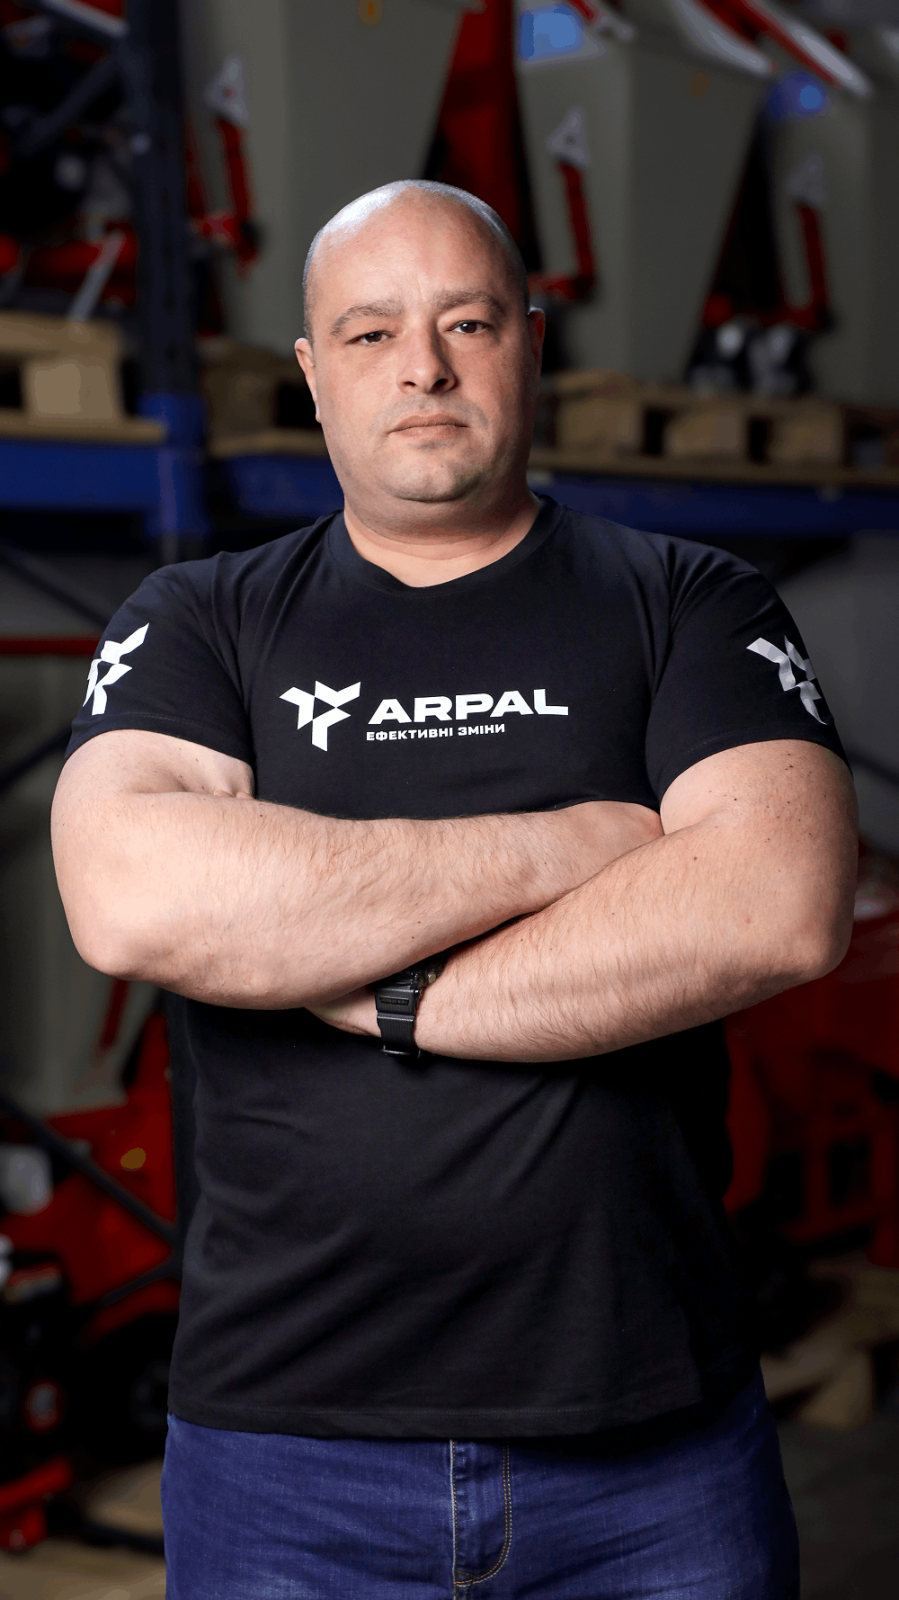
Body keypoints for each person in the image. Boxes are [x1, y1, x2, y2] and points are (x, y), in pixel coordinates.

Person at [52, 180, 857, 1599]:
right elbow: (129, 898)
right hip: (285, 1459)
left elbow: (773, 902)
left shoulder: (690, 600)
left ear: (530, 343)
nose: (420, 367)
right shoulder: (199, 622)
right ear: (313, 374)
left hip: (651, 1455)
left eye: (465, 323)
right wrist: (569, 847)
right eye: (370, 334)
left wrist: (389, 993)